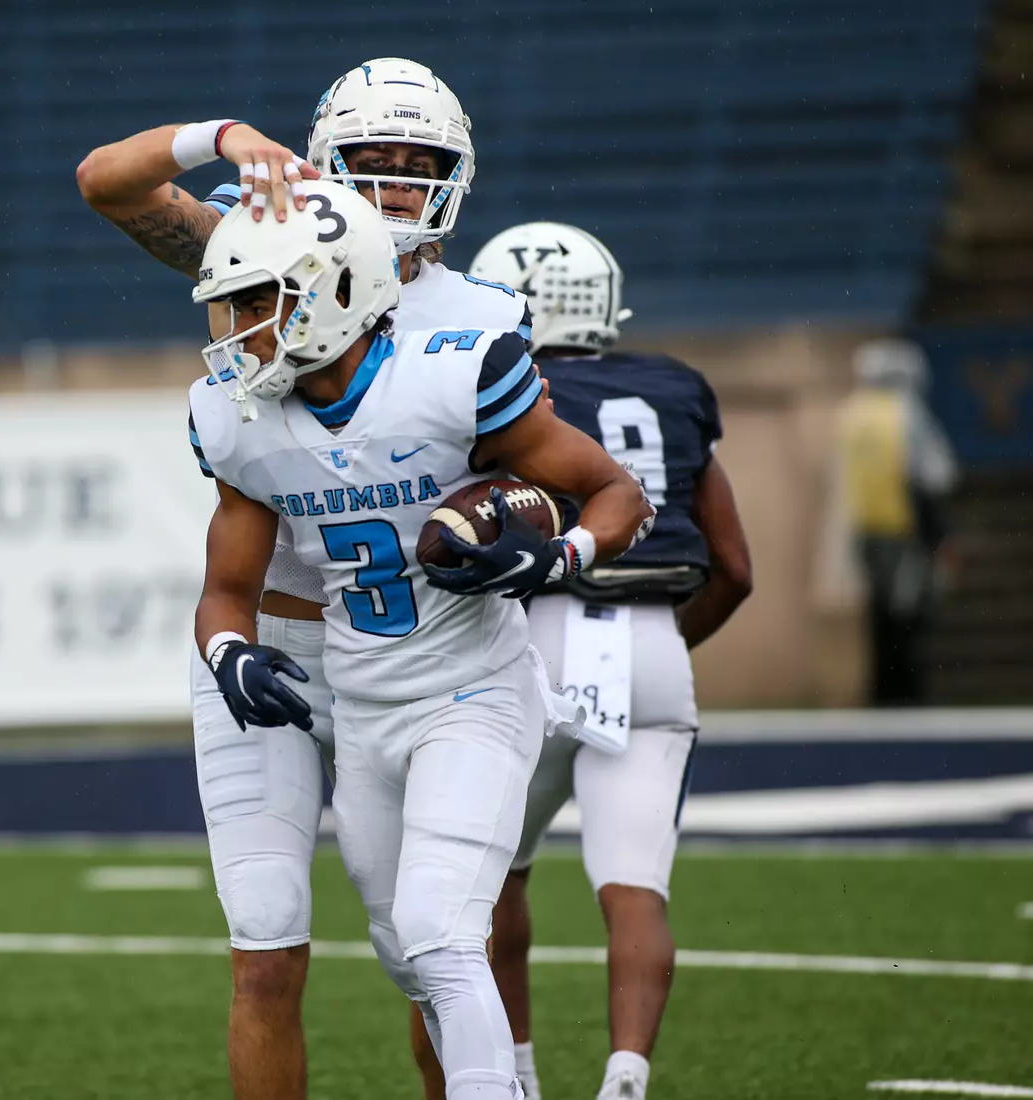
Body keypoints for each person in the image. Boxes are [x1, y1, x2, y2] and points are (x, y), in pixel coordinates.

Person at [78, 58, 531, 1100]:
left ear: (456, 179)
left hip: (423, 656)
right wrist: (221, 134)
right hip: (272, 640)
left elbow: (535, 482)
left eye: (417, 168)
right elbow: (106, 180)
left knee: (436, 948)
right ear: (321, 167)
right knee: (268, 942)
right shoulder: (266, 239)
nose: (391, 189)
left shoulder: (484, 317)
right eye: (368, 165)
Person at [190, 184, 654, 1100]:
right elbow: (225, 593)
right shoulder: (236, 417)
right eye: (231, 303)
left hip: (473, 690)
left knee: (443, 935)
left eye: (258, 301)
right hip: (363, 709)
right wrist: (229, 656)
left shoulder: (453, 373)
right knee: (410, 956)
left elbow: (618, 494)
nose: (238, 328)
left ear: (334, 291)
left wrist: (560, 556)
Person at [467, 222, 754, 1100]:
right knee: (635, 889)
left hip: (532, 636)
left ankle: (513, 1074)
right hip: (652, 641)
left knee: (486, 880)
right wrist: (654, 651)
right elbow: (735, 569)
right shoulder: (672, 388)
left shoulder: (503, 390)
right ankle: (626, 1071)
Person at [837, 338, 958, 706]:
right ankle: (906, 696)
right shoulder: (905, 414)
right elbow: (932, 476)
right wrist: (939, 536)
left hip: (867, 531)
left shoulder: (852, 414)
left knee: (880, 616)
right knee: (908, 617)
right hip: (905, 531)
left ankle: (883, 694)